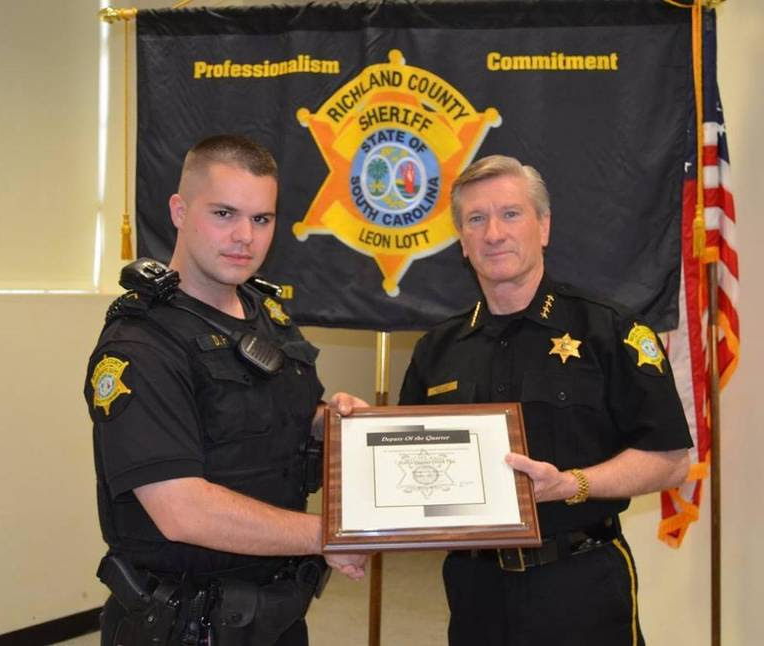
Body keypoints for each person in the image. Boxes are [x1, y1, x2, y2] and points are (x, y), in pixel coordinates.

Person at [84, 135, 367, 645]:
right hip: (182, 627)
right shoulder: (141, 345)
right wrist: (328, 534)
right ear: (179, 210)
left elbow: (275, 419)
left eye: (262, 219)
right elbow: (182, 510)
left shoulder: (268, 317)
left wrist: (331, 418)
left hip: (275, 614)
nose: (245, 237)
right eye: (224, 214)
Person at [398, 155, 692, 646]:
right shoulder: (438, 350)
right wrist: (359, 432)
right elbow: (409, 467)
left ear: (544, 226)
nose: (494, 233)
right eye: (476, 219)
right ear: (462, 242)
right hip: (475, 592)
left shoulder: (611, 332)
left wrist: (572, 484)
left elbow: (671, 462)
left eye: (511, 214)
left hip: (581, 584)